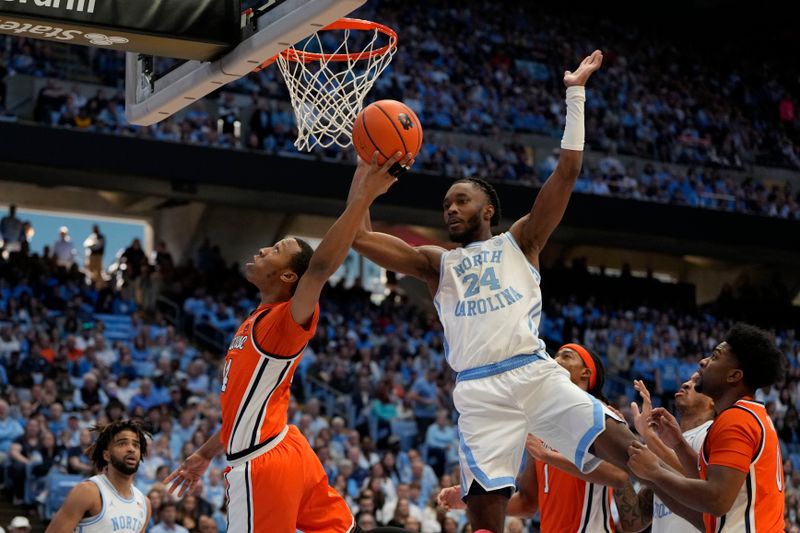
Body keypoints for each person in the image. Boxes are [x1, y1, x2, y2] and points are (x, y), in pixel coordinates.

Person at [350, 50, 638, 532]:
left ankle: (695, 504)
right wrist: (363, 175)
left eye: (462, 200)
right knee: (485, 514)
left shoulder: (522, 240)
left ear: (488, 210)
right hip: (478, 388)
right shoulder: (436, 262)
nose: (450, 209)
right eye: (446, 203)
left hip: (532, 371)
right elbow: (359, 238)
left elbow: (566, 173)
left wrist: (576, 93)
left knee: (631, 451)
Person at [164, 154, 417, 532]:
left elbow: (318, 269)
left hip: (261, 460)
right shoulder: (254, 321)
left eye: (276, 249)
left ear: (286, 274)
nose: (264, 249)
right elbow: (242, 415)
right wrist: (204, 454)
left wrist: (365, 196)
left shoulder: (286, 319)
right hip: (289, 449)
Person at [438, 344, 644, 533]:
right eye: (554, 356)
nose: (554, 361)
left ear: (586, 373)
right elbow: (527, 504)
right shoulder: (539, 426)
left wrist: (547, 456)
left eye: (566, 356)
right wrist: (475, 501)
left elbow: (619, 475)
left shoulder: (600, 416)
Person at [627, 323, 786, 532]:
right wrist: (679, 444)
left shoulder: (737, 419)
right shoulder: (748, 415)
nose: (703, 362)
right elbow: (708, 479)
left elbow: (717, 500)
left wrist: (655, 472)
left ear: (734, 376)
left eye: (715, 357)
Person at [628, 375, 715, 532]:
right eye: (688, 380)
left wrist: (649, 435)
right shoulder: (665, 443)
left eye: (697, 382)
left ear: (713, 400)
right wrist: (618, 446)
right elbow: (635, 520)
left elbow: (707, 488)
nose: (686, 384)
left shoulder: (712, 433)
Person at [44, 419, 151, 533]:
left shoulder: (144, 503)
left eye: (136, 445)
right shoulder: (87, 492)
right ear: (106, 455)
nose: (131, 449)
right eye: (122, 443)